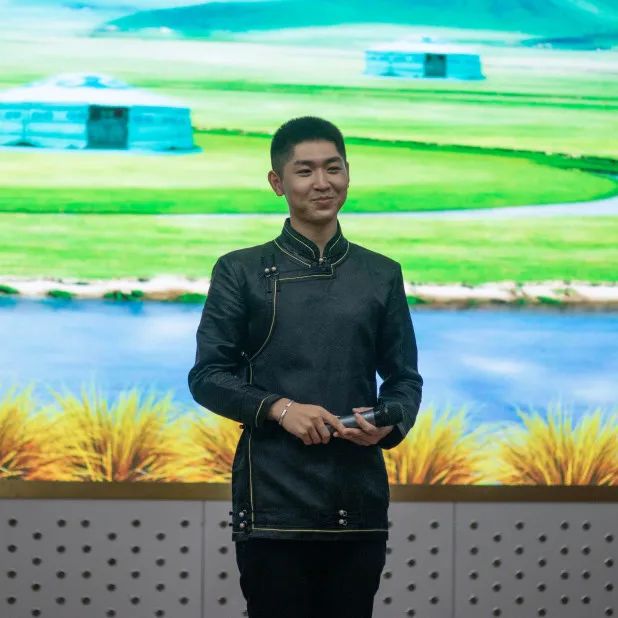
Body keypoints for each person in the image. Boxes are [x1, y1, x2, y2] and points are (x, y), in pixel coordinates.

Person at [188, 116, 423, 618]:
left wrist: (389, 422)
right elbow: (207, 377)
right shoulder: (239, 270)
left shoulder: (381, 273)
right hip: (273, 500)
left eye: (333, 168)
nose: (322, 182)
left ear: (348, 174)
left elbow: (404, 378)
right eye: (305, 171)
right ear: (278, 183)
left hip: (358, 495)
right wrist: (280, 408)